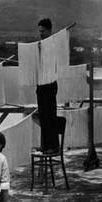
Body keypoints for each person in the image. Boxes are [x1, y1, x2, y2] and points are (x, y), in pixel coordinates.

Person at [36, 18, 59, 152]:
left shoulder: (53, 44)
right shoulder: (41, 44)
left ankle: (53, 146)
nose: (41, 33)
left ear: (49, 31)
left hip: (49, 83)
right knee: (43, 116)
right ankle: (46, 145)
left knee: (50, 115)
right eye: (39, 31)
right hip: (41, 83)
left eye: (43, 31)